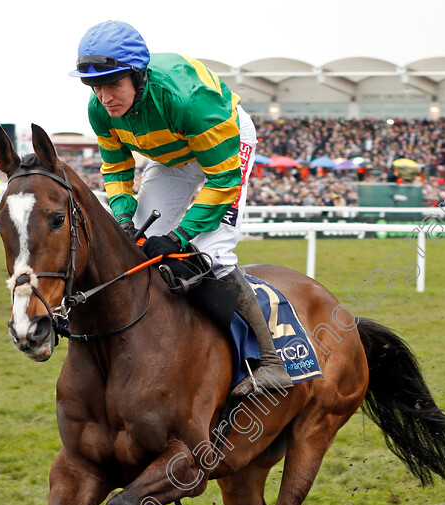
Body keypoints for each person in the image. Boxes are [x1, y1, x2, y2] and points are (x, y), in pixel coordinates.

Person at [69, 20, 292, 397]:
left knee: (212, 252)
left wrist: (178, 236)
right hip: (172, 156)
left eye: (113, 85)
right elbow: (117, 168)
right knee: (136, 242)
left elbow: (223, 181)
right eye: (96, 86)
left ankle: (272, 362)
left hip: (224, 145)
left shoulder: (188, 100)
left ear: (138, 77)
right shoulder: (100, 110)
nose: (105, 97)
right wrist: (124, 216)